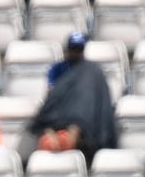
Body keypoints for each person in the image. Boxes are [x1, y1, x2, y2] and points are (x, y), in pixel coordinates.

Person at [31, 32, 116, 161]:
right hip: (57, 119)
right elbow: (53, 98)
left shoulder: (91, 71)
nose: (76, 52)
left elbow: (92, 101)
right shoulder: (58, 69)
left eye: (79, 49)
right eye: (73, 49)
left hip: (84, 125)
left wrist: (76, 127)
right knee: (48, 142)